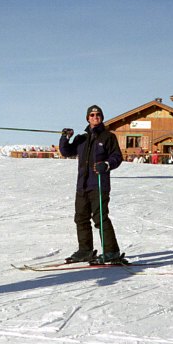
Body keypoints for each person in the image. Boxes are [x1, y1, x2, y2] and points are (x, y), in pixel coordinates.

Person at [59, 104, 123, 264]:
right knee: (80, 218)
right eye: (92, 115)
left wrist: (107, 164)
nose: (95, 117)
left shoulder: (108, 137)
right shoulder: (82, 138)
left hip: (99, 185)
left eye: (98, 114)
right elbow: (66, 151)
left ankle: (111, 251)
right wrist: (65, 137)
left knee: (100, 218)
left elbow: (117, 157)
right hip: (82, 185)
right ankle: (85, 250)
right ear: (87, 118)